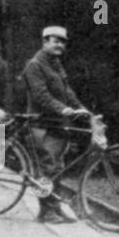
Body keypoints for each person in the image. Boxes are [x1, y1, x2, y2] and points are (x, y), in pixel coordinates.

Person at [21, 25, 90, 222]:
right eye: (55, 41)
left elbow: (67, 92)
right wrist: (63, 109)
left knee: (58, 167)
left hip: (56, 123)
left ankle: (55, 206)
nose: (60, 45)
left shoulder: (55, 64)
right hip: (40, 123)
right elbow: (41, 96)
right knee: (47, 168)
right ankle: (45, 212)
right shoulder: (34, 65)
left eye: (63, 42)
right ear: (45, 42)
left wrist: (81, 108)